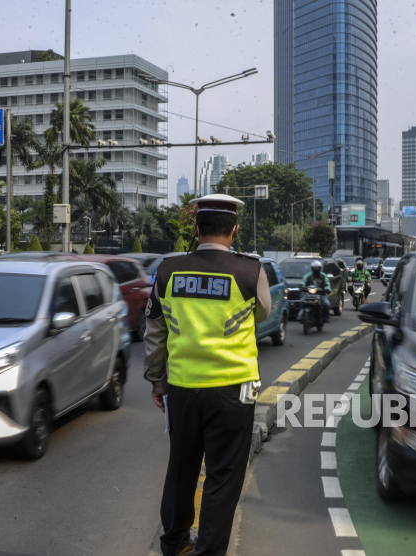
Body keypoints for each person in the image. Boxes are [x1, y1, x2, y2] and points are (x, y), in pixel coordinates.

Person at [144, 193, 272, 556]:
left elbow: (155, 332)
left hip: (182, 389)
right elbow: (263, 312)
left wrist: (157, 381)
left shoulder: (168, 270)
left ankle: (174, 544)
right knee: (223, 479)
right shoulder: (251, 270)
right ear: (233, 231)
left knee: (181, 471)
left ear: (196, 230)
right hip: (233, 392)